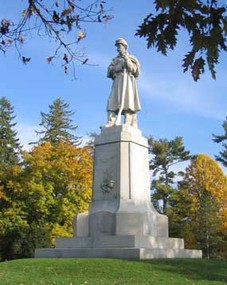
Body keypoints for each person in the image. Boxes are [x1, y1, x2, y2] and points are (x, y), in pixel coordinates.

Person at [105, 38, 141, 128]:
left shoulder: (132, 58)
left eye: (119, 46)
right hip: (117, 80)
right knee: (112, 100)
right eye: (117, 46)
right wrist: (119, 67)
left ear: (124, 47)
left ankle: (128, 121)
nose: (118, 49)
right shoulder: (114, 60)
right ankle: (111, 121)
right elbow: (109, 71)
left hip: (127, 81)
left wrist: (127, 60)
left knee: (128, 101)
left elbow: (134, 70)